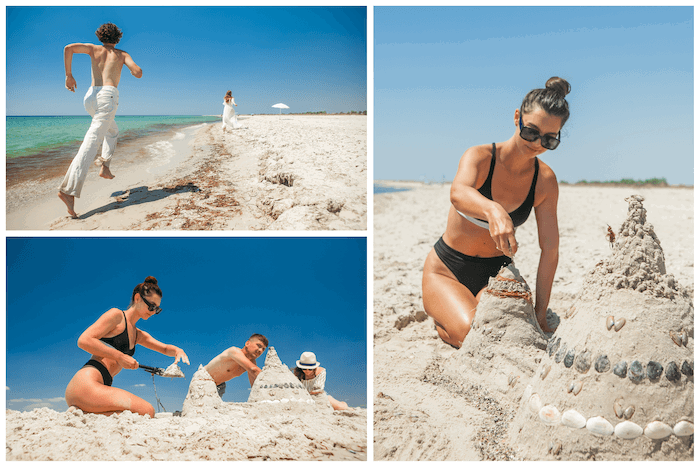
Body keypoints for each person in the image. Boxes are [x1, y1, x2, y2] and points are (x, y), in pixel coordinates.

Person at [422, 77, 570, 349]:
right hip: (447, 270)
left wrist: (540, 310)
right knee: (470, 335)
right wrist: (493, 209)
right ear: (517, 118)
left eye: (549, 140)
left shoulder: (544, 180)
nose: (537, 143)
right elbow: (458, 193)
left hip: (497, 274)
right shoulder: (479, 157)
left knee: (502, 333)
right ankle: (443, 317)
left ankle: (458, 313)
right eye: (531, 132)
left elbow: (550, 250)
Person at [65, 276, 189, 417]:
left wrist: (178, 350)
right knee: (147, 411)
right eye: (151, 306)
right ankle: (84, 410)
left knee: (136, 413)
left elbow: (165, 348)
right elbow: (84, 340)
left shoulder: (138, 335)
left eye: (157, 309)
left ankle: (83, 412)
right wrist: (120, 356)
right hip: (87, 384)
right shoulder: (117, 316)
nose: (153, 311)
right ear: (137, 298)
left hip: (99, 390)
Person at [58, 22, 143, 219]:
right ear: (118, 38)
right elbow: (138, 72)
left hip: (90, 97)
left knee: (111, 131)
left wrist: (68, 75)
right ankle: (68, 190)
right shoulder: (122, 54)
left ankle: (105, 165)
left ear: (100, 37)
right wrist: (132, 69)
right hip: (107, 96)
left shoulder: (93, 49)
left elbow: (68, 48)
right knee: (92, 140)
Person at [200, 334, 268, 397]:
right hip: (202, 380)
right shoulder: (234, 351)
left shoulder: (252, 363)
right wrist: (274, 380)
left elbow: (254, 384)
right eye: (259, 346)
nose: (260, 350)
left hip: (219, 386)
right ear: (247, 343)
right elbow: (254, 370)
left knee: (212, 409)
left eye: (263, 349)